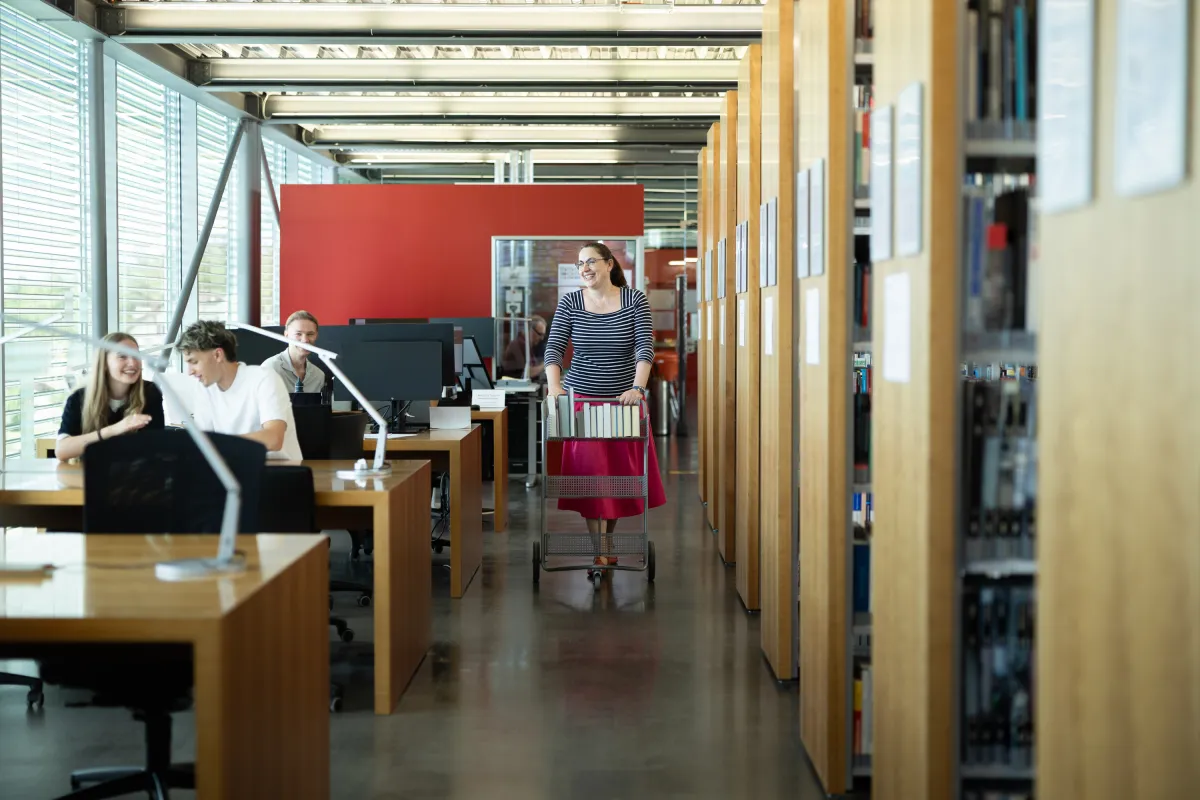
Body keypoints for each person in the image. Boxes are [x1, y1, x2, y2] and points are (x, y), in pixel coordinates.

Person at [543, 241, 667, 569]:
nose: (584, 268)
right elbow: (554, 348)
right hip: (582, 400)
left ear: (609, 264)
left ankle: (606, 543)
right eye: (579, 263)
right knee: (592, 478)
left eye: (591, 261)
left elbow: (644, 348)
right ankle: (599, 547)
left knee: (615, 479)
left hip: (622, 403)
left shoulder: (634, 299)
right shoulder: (570, 302)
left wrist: (638, 388)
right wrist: (555, 386)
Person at [177, 320, 303, 461]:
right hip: (234, 469)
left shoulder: (263, 378)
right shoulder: (205, 388)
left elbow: (273, 439)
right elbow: (204, 443)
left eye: (194, 362)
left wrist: (220, 443)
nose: (190, 372)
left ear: (218, 355)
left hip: (277, 471)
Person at [55, 332, 166, 462]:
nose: (132, 363)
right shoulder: (79, 398)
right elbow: (61, 451)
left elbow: (156, 447)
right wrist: (115, 429)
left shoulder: (150, 392)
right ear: (104, 364)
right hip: (89, 476)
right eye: (122, 356)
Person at [263, 309, 326, 394]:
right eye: (298, 334)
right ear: (286, 335)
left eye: (310, 334)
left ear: (316, 336)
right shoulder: (270, 368)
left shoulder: (318, 376)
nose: (305, 340)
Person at [501, 314, 547, 380]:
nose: (542, 338)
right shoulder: (518, 345)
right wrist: (544, 365)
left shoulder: (526, 346)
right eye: (540, 334)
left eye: (543, 335)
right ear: (530, 330)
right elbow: (527, 373)